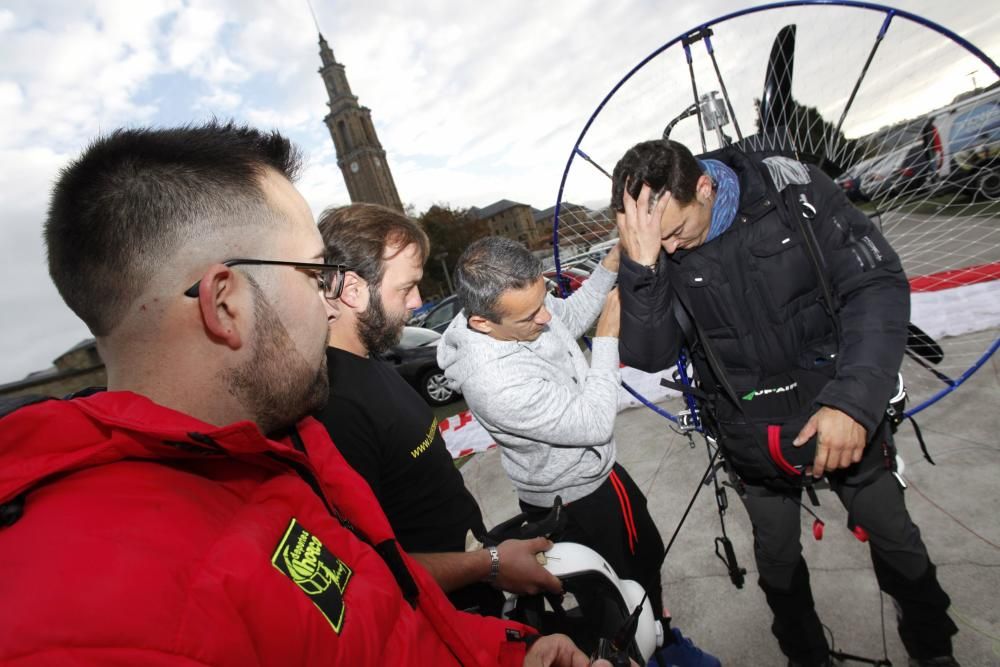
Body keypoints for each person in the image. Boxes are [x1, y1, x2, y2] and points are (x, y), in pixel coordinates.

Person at [0, 121, 598, 667]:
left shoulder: (268, 454)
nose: (330, 303)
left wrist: (510, 653)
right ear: (225, 303)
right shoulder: (100, 618)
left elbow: (377, 620)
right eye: (314, 275)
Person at [611, 138, 958, 667]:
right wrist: (642, 268)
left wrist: (854, 404)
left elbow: (877, 282)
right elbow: (652, 352)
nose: (673, 249)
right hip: (754, 441)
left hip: (841, 415)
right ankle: (805, 657)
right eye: (659, 242)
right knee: (776, 560)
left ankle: (933, 651)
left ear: (703, 187)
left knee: (895, 537)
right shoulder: (658, 253)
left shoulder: (789, 190)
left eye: (677, 231)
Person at [438, 237, 719, 667]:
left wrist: (610, 264)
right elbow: (594, 421)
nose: (546, 316)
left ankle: (659, 636)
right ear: (482, 323)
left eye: (542, 298)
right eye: (532, 314)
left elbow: (565, 317)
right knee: (618, 594)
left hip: (591, 478)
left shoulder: (523, 313)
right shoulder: (493, 381)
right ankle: (651, 651)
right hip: (577, 496)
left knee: (644, 557)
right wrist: (606, 339)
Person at [314, 203, 561, 616]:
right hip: (442, 616)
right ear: (352, 290)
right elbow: (367, 571)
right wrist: (491, 564)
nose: (417, 301)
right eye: (405, 287)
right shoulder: (334, 410)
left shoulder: (372, 360)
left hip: (472, 580)